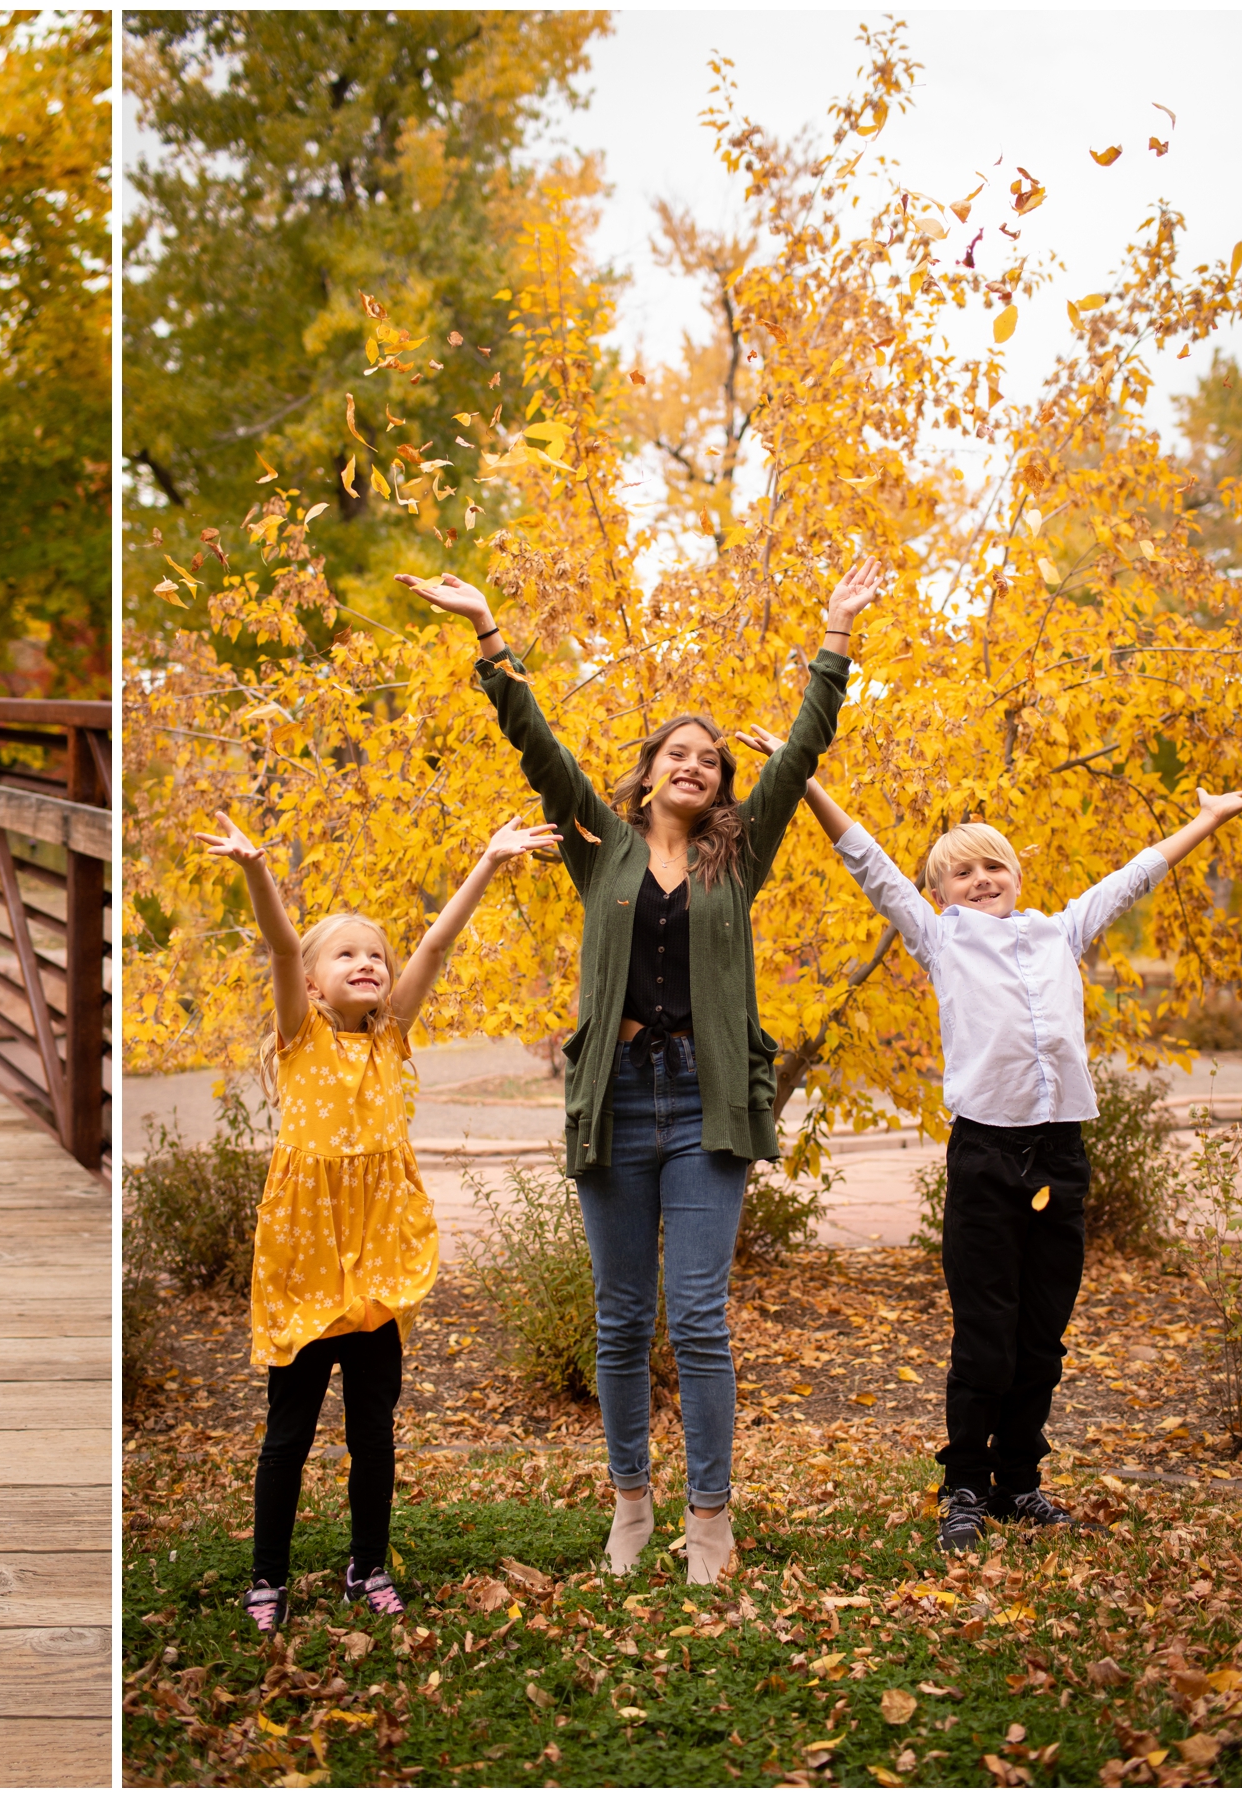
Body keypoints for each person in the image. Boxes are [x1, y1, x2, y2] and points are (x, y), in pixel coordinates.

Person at [398, 558, 886, 1584]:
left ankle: (711, 1516)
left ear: (720, 781)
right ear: (650, 769)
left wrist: (835, 636)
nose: (696, 765)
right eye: (678, 752)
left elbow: (800, 753)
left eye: (710, 757)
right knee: (621, 1317)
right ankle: (631, 1502)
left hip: (706, 1107)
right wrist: (488, 630)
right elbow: (539, 746)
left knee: (698, 1316)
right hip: (616, 1102)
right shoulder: (601, 847)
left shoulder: (739, 852)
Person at [798, 774, 1242, 1552]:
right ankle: (964, 1488)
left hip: (1061, 1155)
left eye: (996, 867)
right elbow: (867, 861)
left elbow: (1137, 875)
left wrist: (1208, 821)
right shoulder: (939, 938)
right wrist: (809, 780)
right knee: (985, 1336)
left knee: (1042, 1338)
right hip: (986, 1157)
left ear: (1018, 876)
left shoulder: (1060, 932)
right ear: (940, 892)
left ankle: (1019, 1484)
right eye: (964, 871)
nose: (983, 880)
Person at [198, 810, 564, 1634]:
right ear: (319, 983)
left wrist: (489, 859)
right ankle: (268, 1577)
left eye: (375, 954)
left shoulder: (393, 1036)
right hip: (304, 1263)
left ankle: (367, 1565)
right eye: (346, 953)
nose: (365, 963)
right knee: (286, 1437)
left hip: (377, 1265)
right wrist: (257, 870)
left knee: (374, 1431)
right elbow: (284, 946)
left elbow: (434, 946)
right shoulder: (300, 1039)